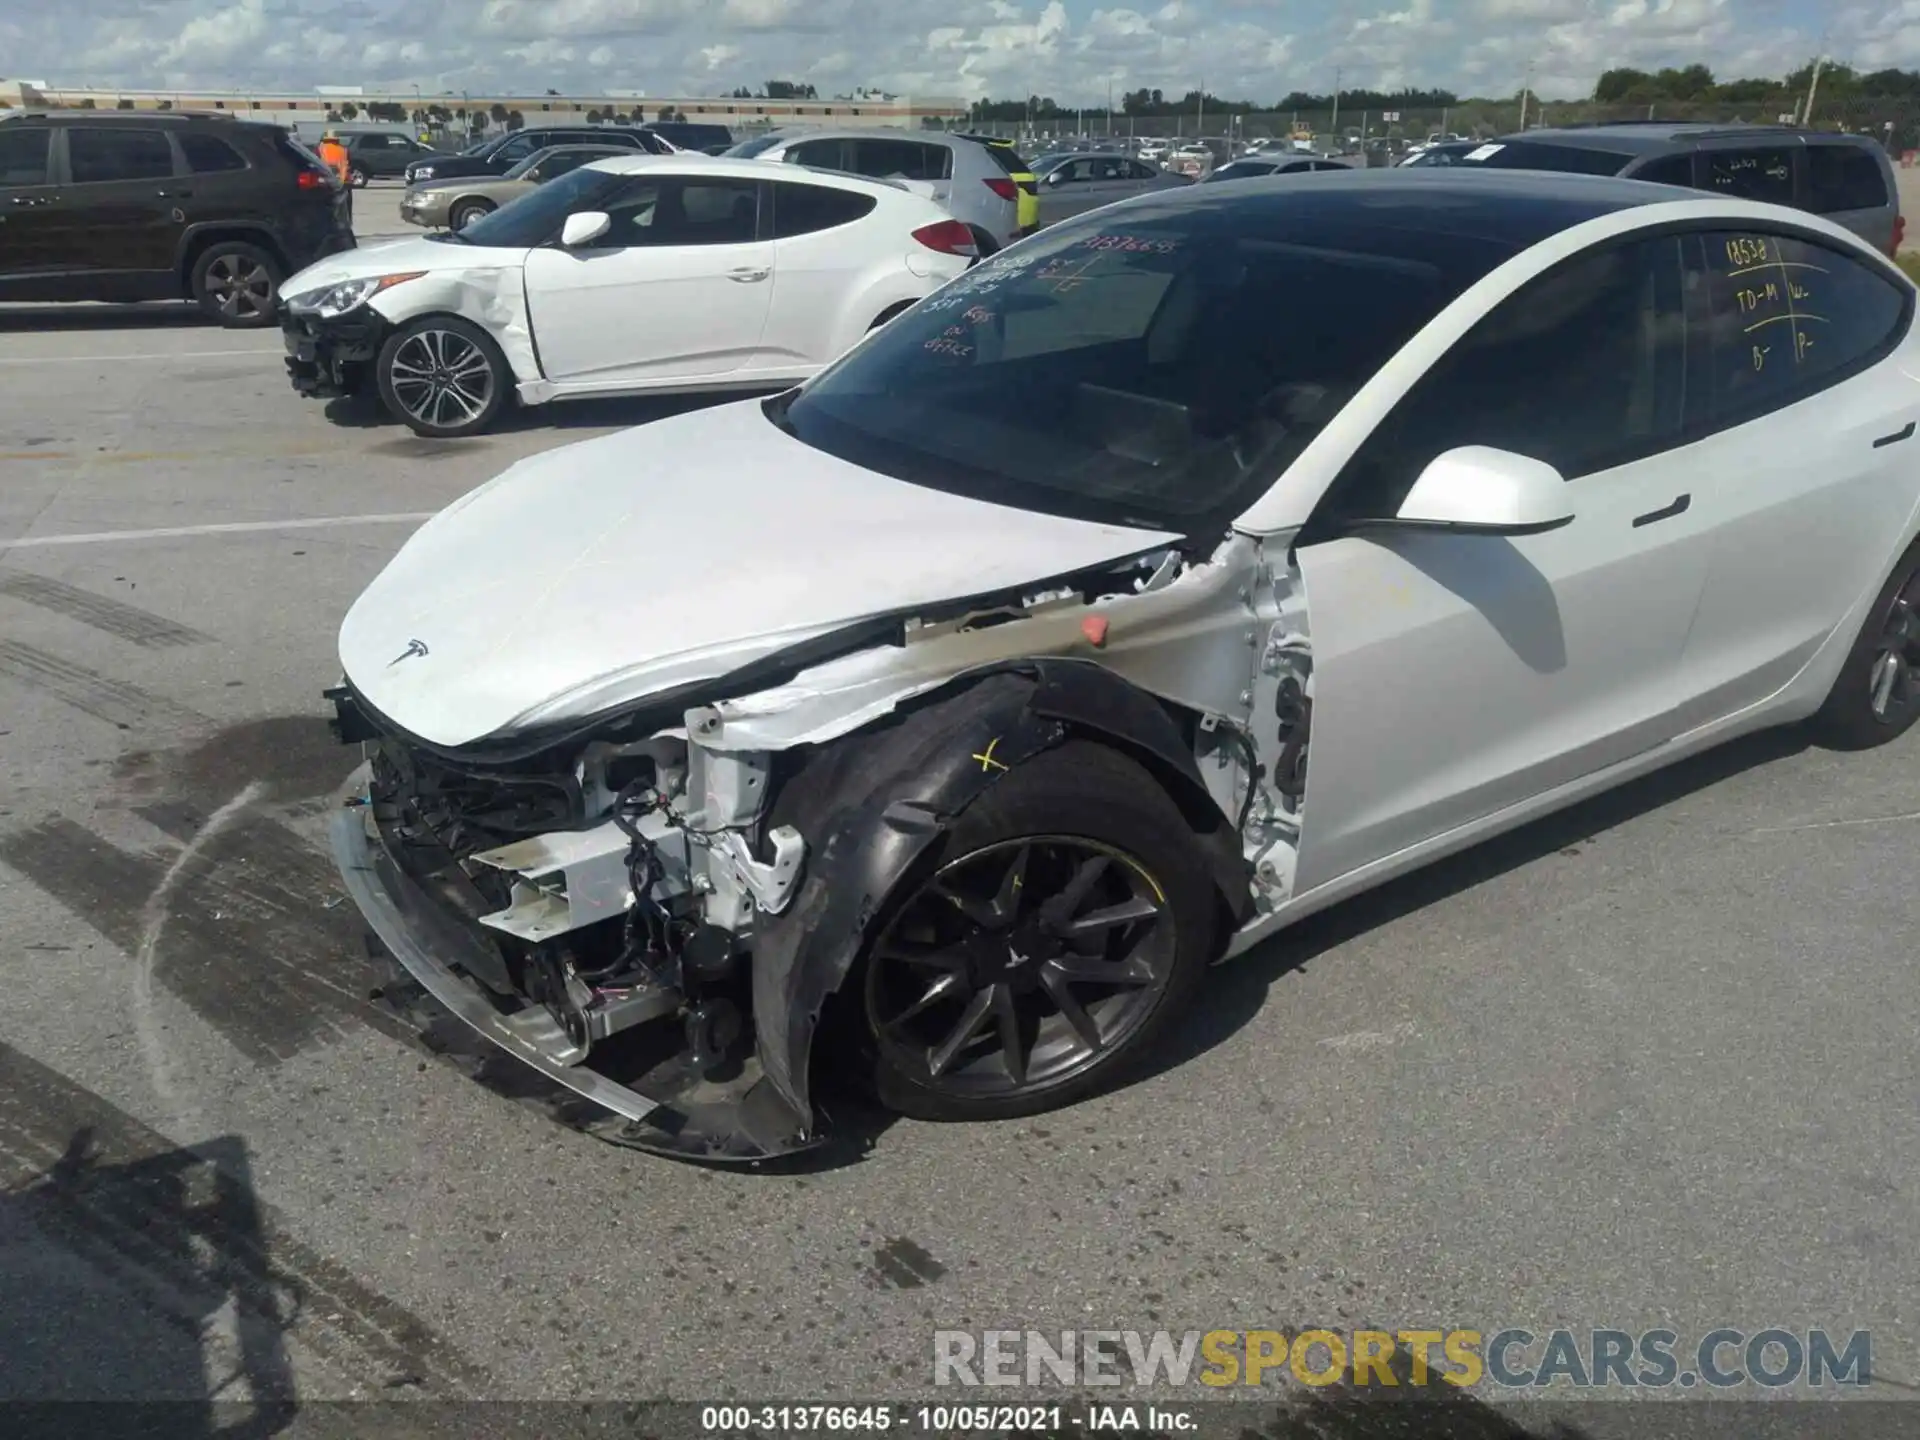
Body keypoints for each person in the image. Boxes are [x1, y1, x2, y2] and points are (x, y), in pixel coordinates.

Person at [317, 130, 352, 221]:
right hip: (342, 181)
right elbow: (348, 165)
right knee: (345, 207)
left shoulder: (320, 149)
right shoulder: (344, 150)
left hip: (325, 181)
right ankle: (347, 222)